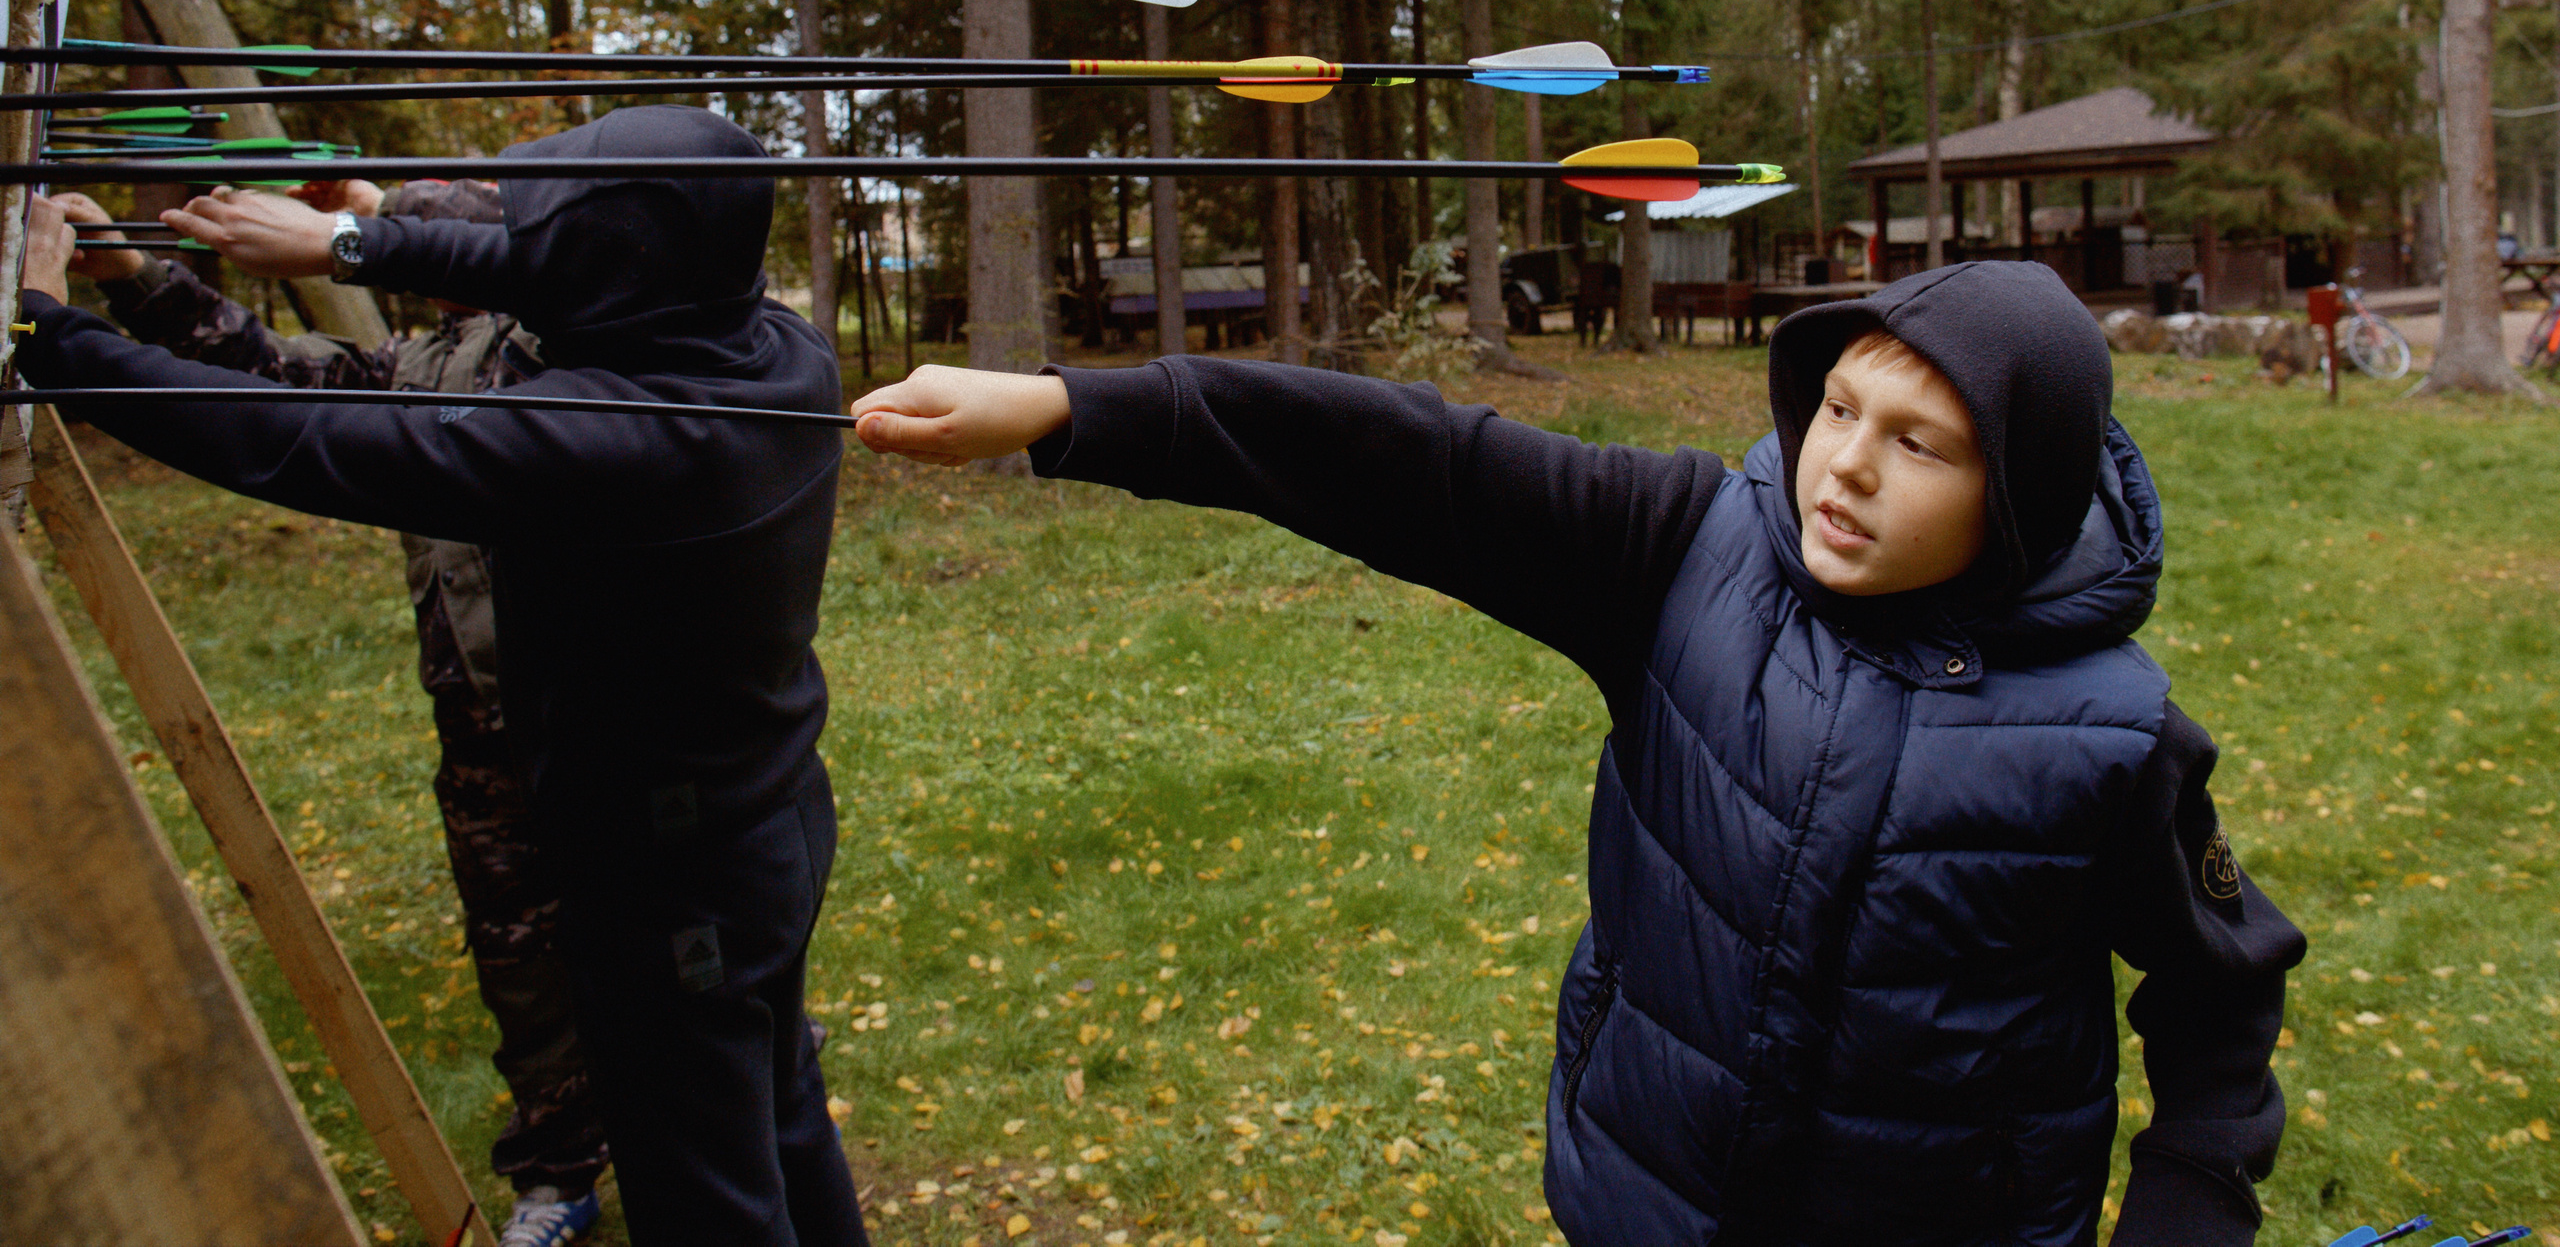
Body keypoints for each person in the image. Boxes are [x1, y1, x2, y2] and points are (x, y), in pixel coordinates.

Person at [846, 260, 2306, 1247]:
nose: (1846, 462)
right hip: (1646, 1197)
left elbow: (2220, 987)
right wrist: (1070, 407)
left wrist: (2185, 1202)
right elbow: (1412, 462)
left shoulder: (2112, 735)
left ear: (2023, 492)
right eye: (1839, 408)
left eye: (1921, 443)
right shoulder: (1683, 553)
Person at [19, 106, 868, 1247]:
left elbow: (283, 436)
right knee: (776, 1117)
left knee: (705, 1187)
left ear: (617, 272)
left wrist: (40, 329)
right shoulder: (768, 345)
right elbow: (544, 263)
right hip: (759, 831)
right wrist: (352, 244)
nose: (531, 256)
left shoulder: (618, 438)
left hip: (671, 882)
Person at [50, 179, 608, 1247]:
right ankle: (558, 1166)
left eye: (427, 239)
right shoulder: (416, 365)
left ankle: (738, 1099)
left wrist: (360, 220)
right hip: (478, 736)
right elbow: (261, 369)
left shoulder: (563, 347)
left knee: (660, 936)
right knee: (519, 957)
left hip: (590, 719)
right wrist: (132, 278)